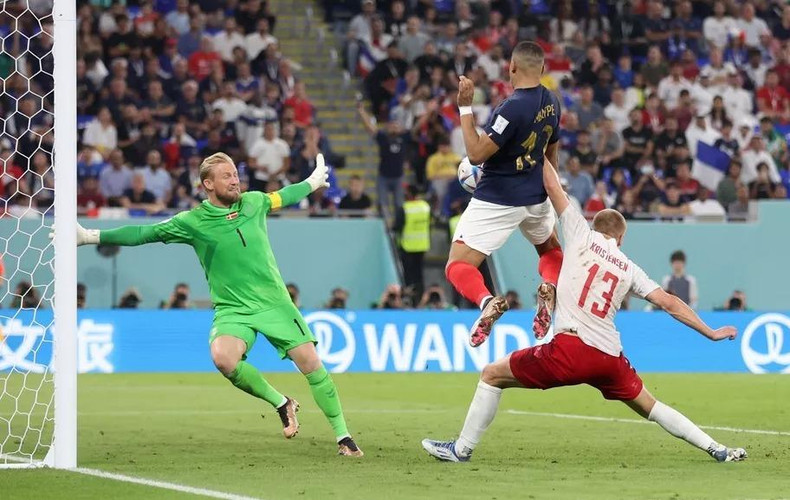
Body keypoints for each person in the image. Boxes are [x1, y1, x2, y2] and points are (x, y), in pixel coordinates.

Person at [421, 158, 747, 464]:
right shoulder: (629, 267)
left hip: (570, 350)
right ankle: (717, 448)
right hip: (609, 357)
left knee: (492, 375)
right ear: (620, 237)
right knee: (651, 405)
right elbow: (669, 303)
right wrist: (711, 332)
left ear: (596, 225)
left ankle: (461, 449)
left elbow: (552, 184)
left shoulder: (579, 232)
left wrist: (532, 142)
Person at [67, 153, 363, 457]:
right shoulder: (193, 222)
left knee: (311, 364)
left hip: (275, 303)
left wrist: (312, 183)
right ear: (207, 184)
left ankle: (344, 436)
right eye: (226, 176)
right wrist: (90, 236)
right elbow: (145, 233)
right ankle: (281, 402)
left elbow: (283, 196)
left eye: (235, 174)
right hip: (233, 309)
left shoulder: (254, 202)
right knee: (224, 358)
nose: (235, 180)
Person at [446, 41, 564, 346]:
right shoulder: (552, 101)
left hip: (498, 198)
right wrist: (552, 190)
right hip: (536, 195)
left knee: (458, 265)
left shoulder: (511, 108)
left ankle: (487, 302)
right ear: (541, 68)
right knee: (550, 249)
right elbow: (551, 150)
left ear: (511, 67)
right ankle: (549, 285)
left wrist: (465, 106)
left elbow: (474, 154)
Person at [393, 185, 431, 307]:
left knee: (408, 277)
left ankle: (409, 301)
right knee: (419, 275)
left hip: (407, 247)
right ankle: (420, 300)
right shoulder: (425, 207)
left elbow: (397, 227)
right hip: (422, 246)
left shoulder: (405, 208)